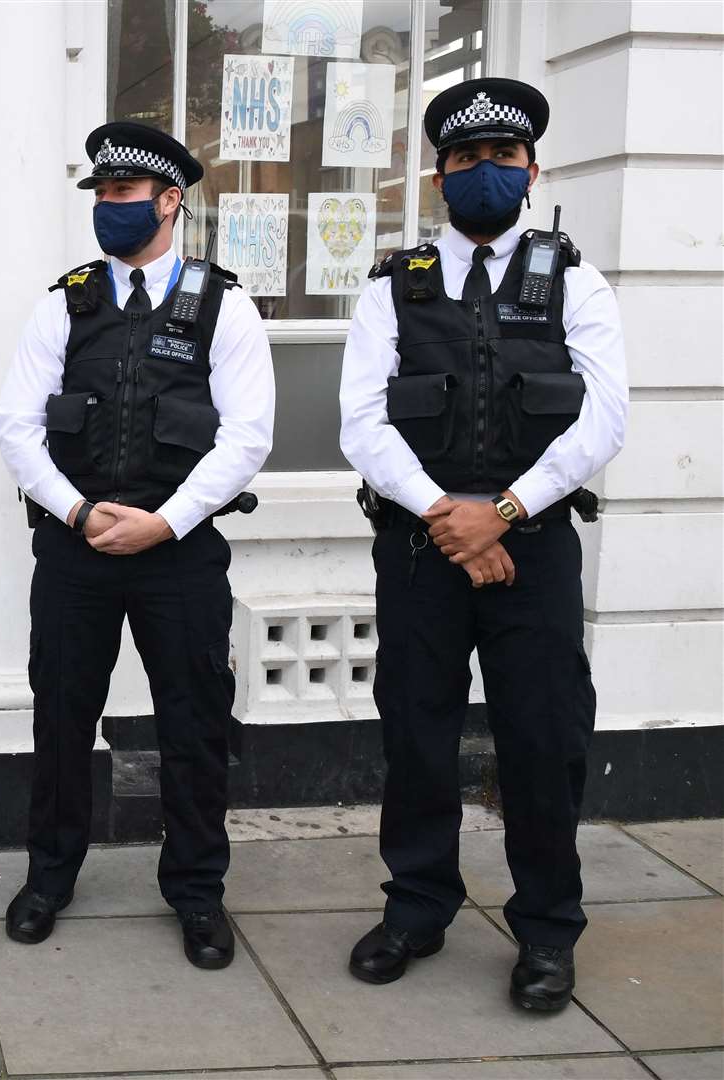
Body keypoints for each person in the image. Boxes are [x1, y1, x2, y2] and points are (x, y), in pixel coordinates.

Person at [338, 78, 628, 1011]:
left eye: (503, 159)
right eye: (466, 161)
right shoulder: (393, 285)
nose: (485, 173)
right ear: (439, 177)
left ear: (531, 170)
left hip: (530, 549)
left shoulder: (575, 281)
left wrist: (499, 511)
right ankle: (417, 908)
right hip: (424, 550)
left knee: (542, 742)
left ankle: (545, 929)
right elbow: (361, 424)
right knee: (416, 735)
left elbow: (604, 420)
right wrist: (449, 518)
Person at [0, 122, 275, 968]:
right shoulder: (65, 302)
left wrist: (166, 520)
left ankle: (196, 891)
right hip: (76, 550)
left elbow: (247, 436)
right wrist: (78, 513)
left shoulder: (222, 305)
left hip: (179, 552)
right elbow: (15, 426)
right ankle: (49, 877)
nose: (108, 208)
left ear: (168, 201)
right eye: (102, 195)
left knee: (192, 725)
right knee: (61, 719)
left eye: (122, 195)